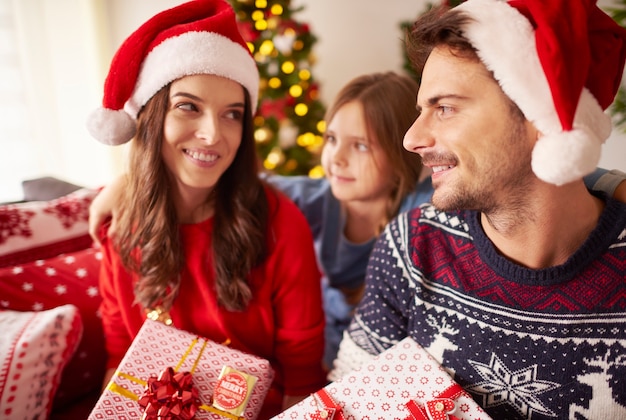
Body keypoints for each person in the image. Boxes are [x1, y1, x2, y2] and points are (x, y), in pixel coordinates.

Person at [89, 69, 626, 373]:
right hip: (334, 364)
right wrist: (128, 183)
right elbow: (217, 178)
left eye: (361, 146)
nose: (336, 159)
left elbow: (516, 175)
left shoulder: (430, 211)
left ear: (404, 152)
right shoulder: (312, 200)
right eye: (330, 141)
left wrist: (607, 180)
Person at [332, 0, 626, 418]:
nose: (412, 138)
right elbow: (344, 403)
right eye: (422, 111)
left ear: (540, 118)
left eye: (445, 108)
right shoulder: (414, 244)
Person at [86, 1, 326, 417]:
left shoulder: (280, 223)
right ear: (149, 116)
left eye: (232, 114)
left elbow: (303, 374)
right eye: (188, 106)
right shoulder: (119, 221)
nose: (214, 134)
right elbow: (118, 350)